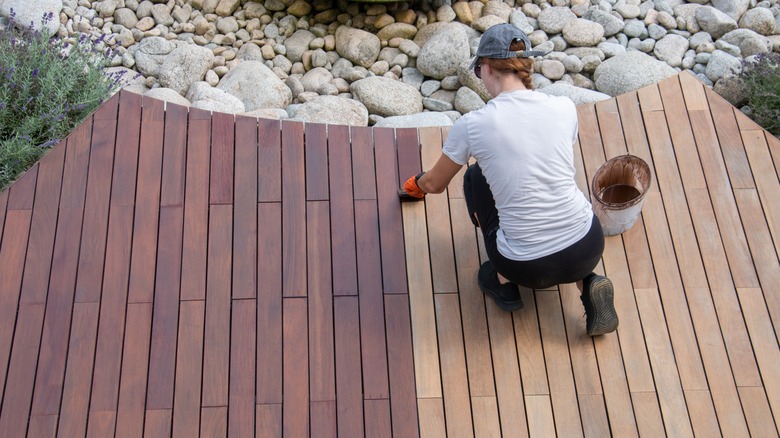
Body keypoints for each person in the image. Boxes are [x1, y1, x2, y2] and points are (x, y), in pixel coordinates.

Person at [400, 23, 618, 336]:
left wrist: (414, 184)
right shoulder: (563, 107)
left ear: (486, 68)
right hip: (589, 243)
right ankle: (588, 280)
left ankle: (504, 284)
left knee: (476, 175)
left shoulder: (474, 125)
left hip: (526, 267)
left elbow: (434, 185)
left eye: (478, 70)